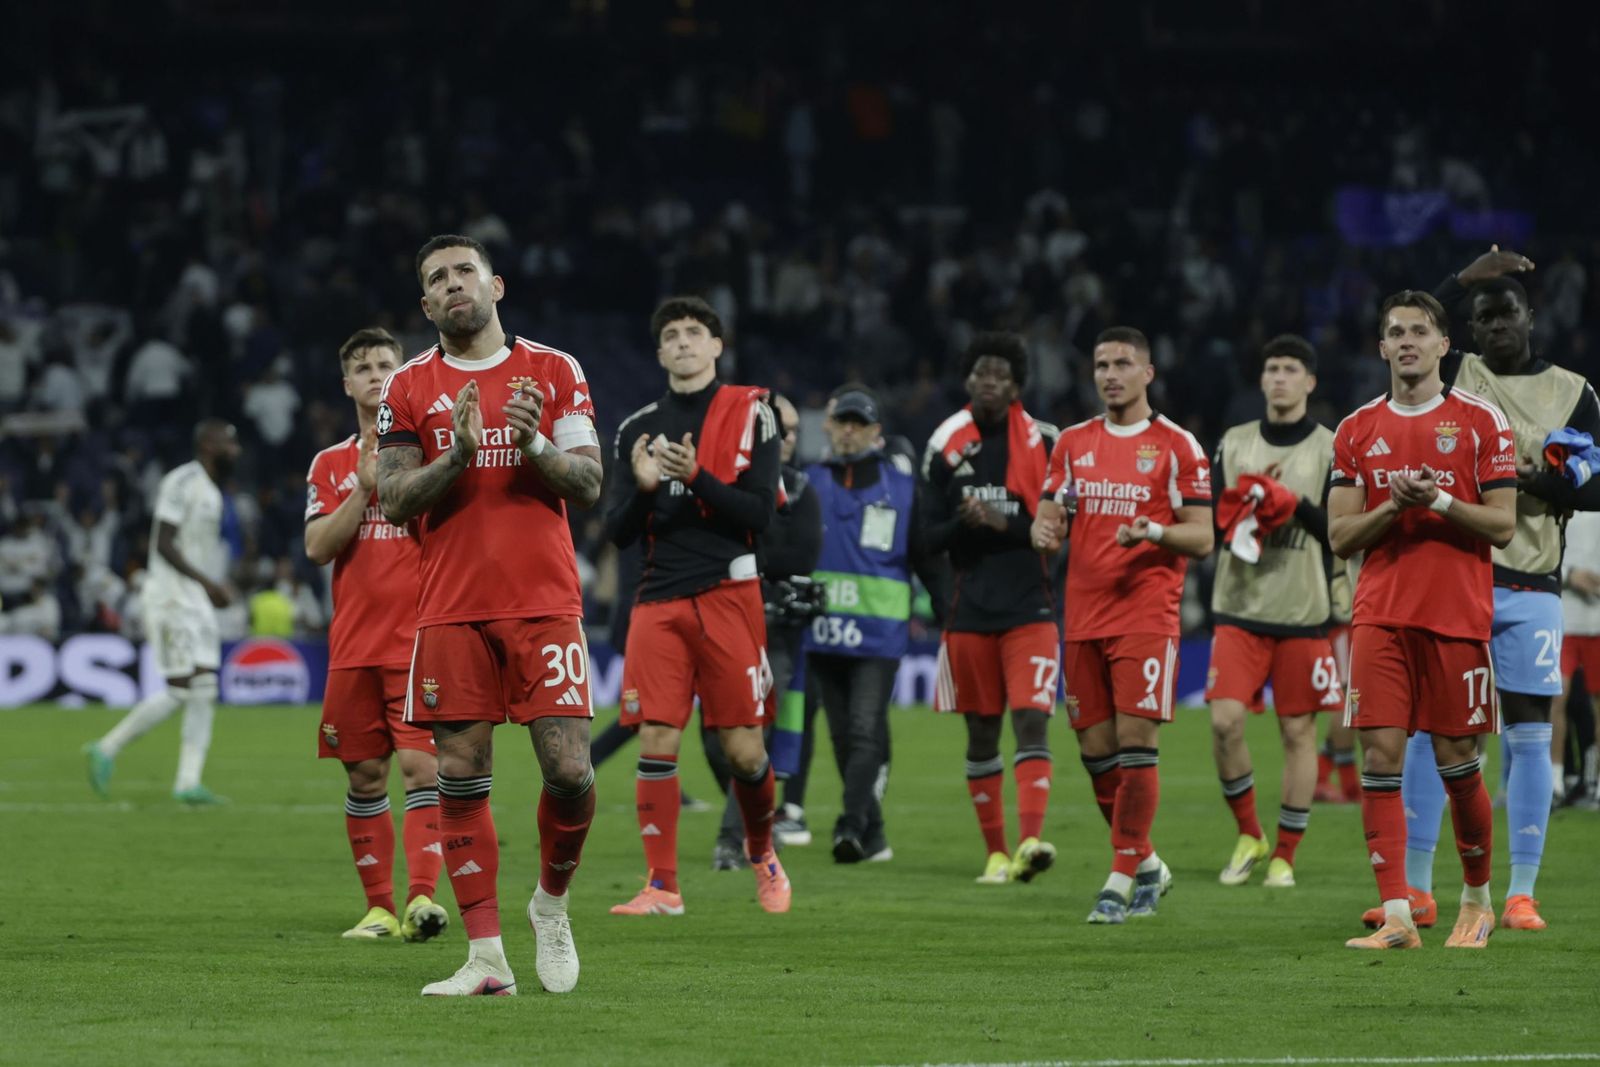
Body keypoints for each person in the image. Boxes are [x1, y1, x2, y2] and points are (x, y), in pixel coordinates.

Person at [376, 234, 602, 996]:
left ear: (496, 284)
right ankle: (486, 958)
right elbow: (395, 498)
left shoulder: (553, 369)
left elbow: (590, 482)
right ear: (425, 303)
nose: (452, 285)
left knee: (570, 770)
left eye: (463, 271)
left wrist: (532, 439)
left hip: (544, 603)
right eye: (436, 278)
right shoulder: (408, 387)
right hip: (451, 610)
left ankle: (552, 903)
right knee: (460, 775)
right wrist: (457, 456)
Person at [1377, 248, 1600, 934]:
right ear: (1466, 332)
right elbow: (1416, 324)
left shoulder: (1575, 391)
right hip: (1453, 575)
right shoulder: (1460, 376)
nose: (1497, 323)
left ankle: (1520, 892)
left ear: (1531, 317)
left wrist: (1529, 480)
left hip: (1531, 578)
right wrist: (1466, 276)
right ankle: (1417, 888)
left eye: (1508, 311)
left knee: (1531, 731)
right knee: (1429, 732)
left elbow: (1588, 488)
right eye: (1483, 315)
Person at [1330, 289, 1516, 950]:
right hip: (1380, 615)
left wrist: (1437, 498)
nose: (1406, 341)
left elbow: (1503, 524)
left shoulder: (1481, 422)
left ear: (1443, 345)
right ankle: (1398, 913)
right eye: (1395, 332)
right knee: (1379, 755)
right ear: (1381, 348)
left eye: (1419, 331)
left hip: (1456, 617)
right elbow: (1340, 534)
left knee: (1456, 760)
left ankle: (1476, 898)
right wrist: (1392, 507)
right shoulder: (1355, 429)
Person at [602, 295, 791, 915]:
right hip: (657, 599)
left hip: (729, 595)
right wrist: (649, 490)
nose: (683, 342)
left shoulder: (753, 413)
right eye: (672, 335)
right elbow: (618, 531)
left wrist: (699, 478)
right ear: (660, 353)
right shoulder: (635, 429)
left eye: (695, 332)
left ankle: (762, 851)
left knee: (743, 752)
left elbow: (761, 514)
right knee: (656, 737)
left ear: (716, 346)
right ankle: (662, 886)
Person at [1031, 327, 1213, 924]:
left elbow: (1204, 535)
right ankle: (1149, 863)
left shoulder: (1177, 445)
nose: (1111, 374)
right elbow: (1051, 511)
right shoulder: (1073, 443)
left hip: (1145, 614)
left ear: (1148, 373)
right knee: (1096, 751)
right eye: (1102, 365)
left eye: (1123, 364)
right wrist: (1043, 531)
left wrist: (1155, 531)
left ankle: (1118, 874)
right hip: (1083, 616)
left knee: (1137, 744)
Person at [304, 327, 445, 942]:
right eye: (361, 367)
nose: (374, 374)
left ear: (402, 370)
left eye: (385, 363)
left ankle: (422, 901)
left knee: (421, 769)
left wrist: (396, 488)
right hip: (355, 646)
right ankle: (380, 910)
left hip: (418, 642)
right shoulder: (330, 463)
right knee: (364, 777)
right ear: (347, 384)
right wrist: (362, 488)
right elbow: (317, 547)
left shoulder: (428, 453)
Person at [1205, 334, 1344, 889]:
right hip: (1238, 608)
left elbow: (1339, 532)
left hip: (1304, 612)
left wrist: (1295, 506)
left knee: (1297, 734)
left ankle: (1285, 851)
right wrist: (1245, 511)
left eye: (1291, 369)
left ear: (1310, 382)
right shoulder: (1233, 444)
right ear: (1261, 380)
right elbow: (1215, 523)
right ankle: (1249, 833)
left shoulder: (1332, 447)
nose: (1280, 377)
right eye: (1272, 368)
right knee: (1223, 722)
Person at [922, 333, 1061, 884]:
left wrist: (1006, 525)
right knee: (981, 735)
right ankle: (997, 854)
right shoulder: (945, 444)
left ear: (1017, 385)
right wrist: (963, 524)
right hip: (970, 612)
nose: (989, 382)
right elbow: (925, 537)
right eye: (981, 373)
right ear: (967, 379)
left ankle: (1029, 840)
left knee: (1032, 721)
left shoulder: (1046, 441)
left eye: (1001, 375)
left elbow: (1056, 534)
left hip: (1031, 610)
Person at [805, 383, 942, 864]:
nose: (848, 431)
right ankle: (875, 834)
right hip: (820, 632)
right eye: (842, 421)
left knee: (864, 730)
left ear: (876, 432)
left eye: (858, 424)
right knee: (843, 737)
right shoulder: (808, 482)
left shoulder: (904, 490)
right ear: (828, 425)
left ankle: (849, 826)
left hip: (879, 636)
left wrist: (951, 616)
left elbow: (927, 559)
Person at [85, 420, 239, 805]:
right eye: (228, 442)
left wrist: (210, 586)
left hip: (195, 600)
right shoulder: (182, 481)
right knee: (179, 690)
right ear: (207, 444)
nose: (235, 450)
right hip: (171, 598)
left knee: (205, 689)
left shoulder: (212, 491)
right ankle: (106, 747)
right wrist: (208, 583)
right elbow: (164, 543)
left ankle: (188, 782)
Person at [705, 392, 823, 868]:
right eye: (780, 428)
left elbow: (802, 557)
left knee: (753, 731)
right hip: (724, 621)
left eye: (793, 430)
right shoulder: (727, 481)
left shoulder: (799, 489)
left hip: (775, 630)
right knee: (713, 740)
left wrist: (748, 562)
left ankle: (733, 840)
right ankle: (760, 815)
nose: (788, 438)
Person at [1555, 509, 1600, 805]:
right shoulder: (1561, 501)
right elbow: (1543, 555)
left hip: (1597, 621)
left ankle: (1596, 783)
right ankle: (1555, 779)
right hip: (1564, 620)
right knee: (1556, 698)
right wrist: (1571, 574)